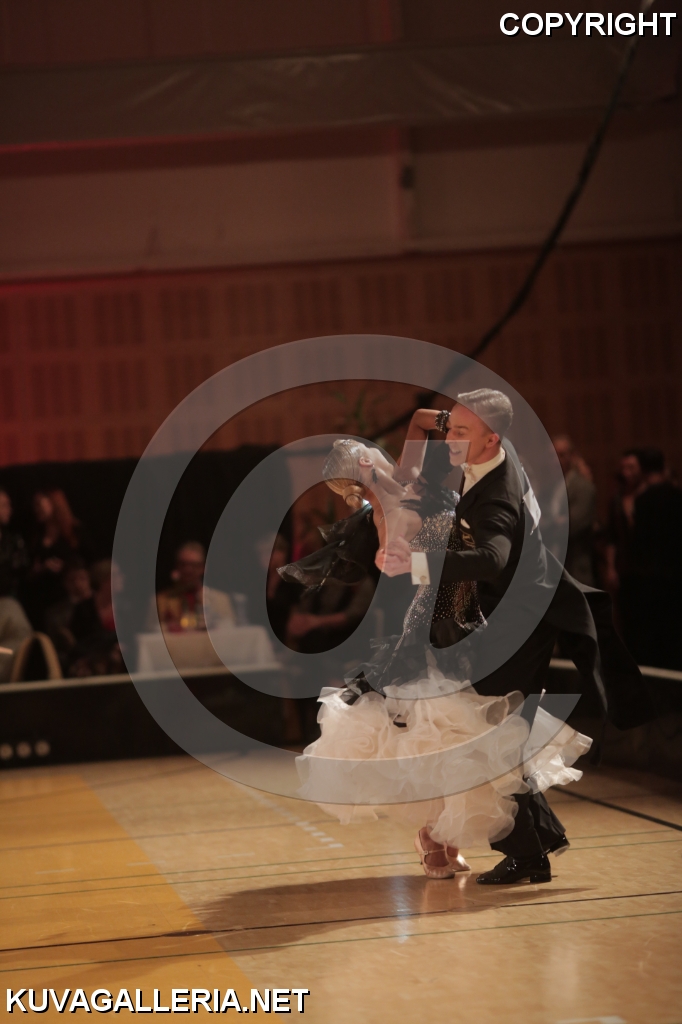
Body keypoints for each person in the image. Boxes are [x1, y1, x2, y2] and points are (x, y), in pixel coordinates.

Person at [281, 414, 593, 882]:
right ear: (364, 466)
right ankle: (440, 837)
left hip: (465, 605)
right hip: (439, 617)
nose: (380, 454)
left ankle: (451, 838)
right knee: (450, 730)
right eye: (369, 455)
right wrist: (395, 556)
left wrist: (455, 422)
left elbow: (418, 421)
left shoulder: (408, 479)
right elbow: (398, 567)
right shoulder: (386, 512)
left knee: (462, 729)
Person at [380, 391, 650, 884]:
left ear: (492, 440)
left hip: (523, 616)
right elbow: (426, 422)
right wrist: (451, 421)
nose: (449, 440)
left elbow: (492, 559)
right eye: (450, 429)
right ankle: (534, 844)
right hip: (505, 609)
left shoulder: (498, 491)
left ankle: (525, 851)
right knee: (493, 728)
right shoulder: (481, 444)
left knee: (485, 728)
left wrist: (416, 562)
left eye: (460, 433)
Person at [628, 448, 682, 669]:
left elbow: (640, 540)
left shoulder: (642, 500)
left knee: (654, 634)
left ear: (642, 469)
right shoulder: (677, 495)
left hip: (650, 575)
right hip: (676, 572)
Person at [21, 489, 88, 631]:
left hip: (67, 589)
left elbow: (86, 559)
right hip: (42, 590)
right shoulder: (36, 535)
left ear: (53, 503)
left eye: (39, 504)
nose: (36, 509)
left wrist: (65, 565)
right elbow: (30, 568)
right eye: (34, 506)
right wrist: (41, 568)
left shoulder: (72, 531)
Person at [148, 541, 235, 632]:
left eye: (194, 565)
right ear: (176, 566)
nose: (188, 570)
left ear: (203, 567)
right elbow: (150, 635)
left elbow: (231, 632)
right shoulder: (159, 601)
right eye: (183, 564)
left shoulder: (221, 600)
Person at [603, 449, 644, 638]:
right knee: (627, 619)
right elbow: (611, 537)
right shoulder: (618, 499)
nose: (627, 472)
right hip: (624, 567)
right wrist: (611, 568)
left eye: (631, 467)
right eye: (624, 468)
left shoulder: (649, 496)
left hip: (646, 567)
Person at [546, 436, 597, 586]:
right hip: (556, 566)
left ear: (572, 456)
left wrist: (547, 526)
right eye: (552, 456)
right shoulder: (553, 488)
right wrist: (555, 522)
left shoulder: (582, 487)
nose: (556, 460)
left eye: (561, 455)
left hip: (576, 566)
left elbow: (572, 526)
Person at [0, 489, 29, 598]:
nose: (9, 509)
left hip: (10, 600)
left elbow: (22, 570)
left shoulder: (14, 541)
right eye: (4, 505)